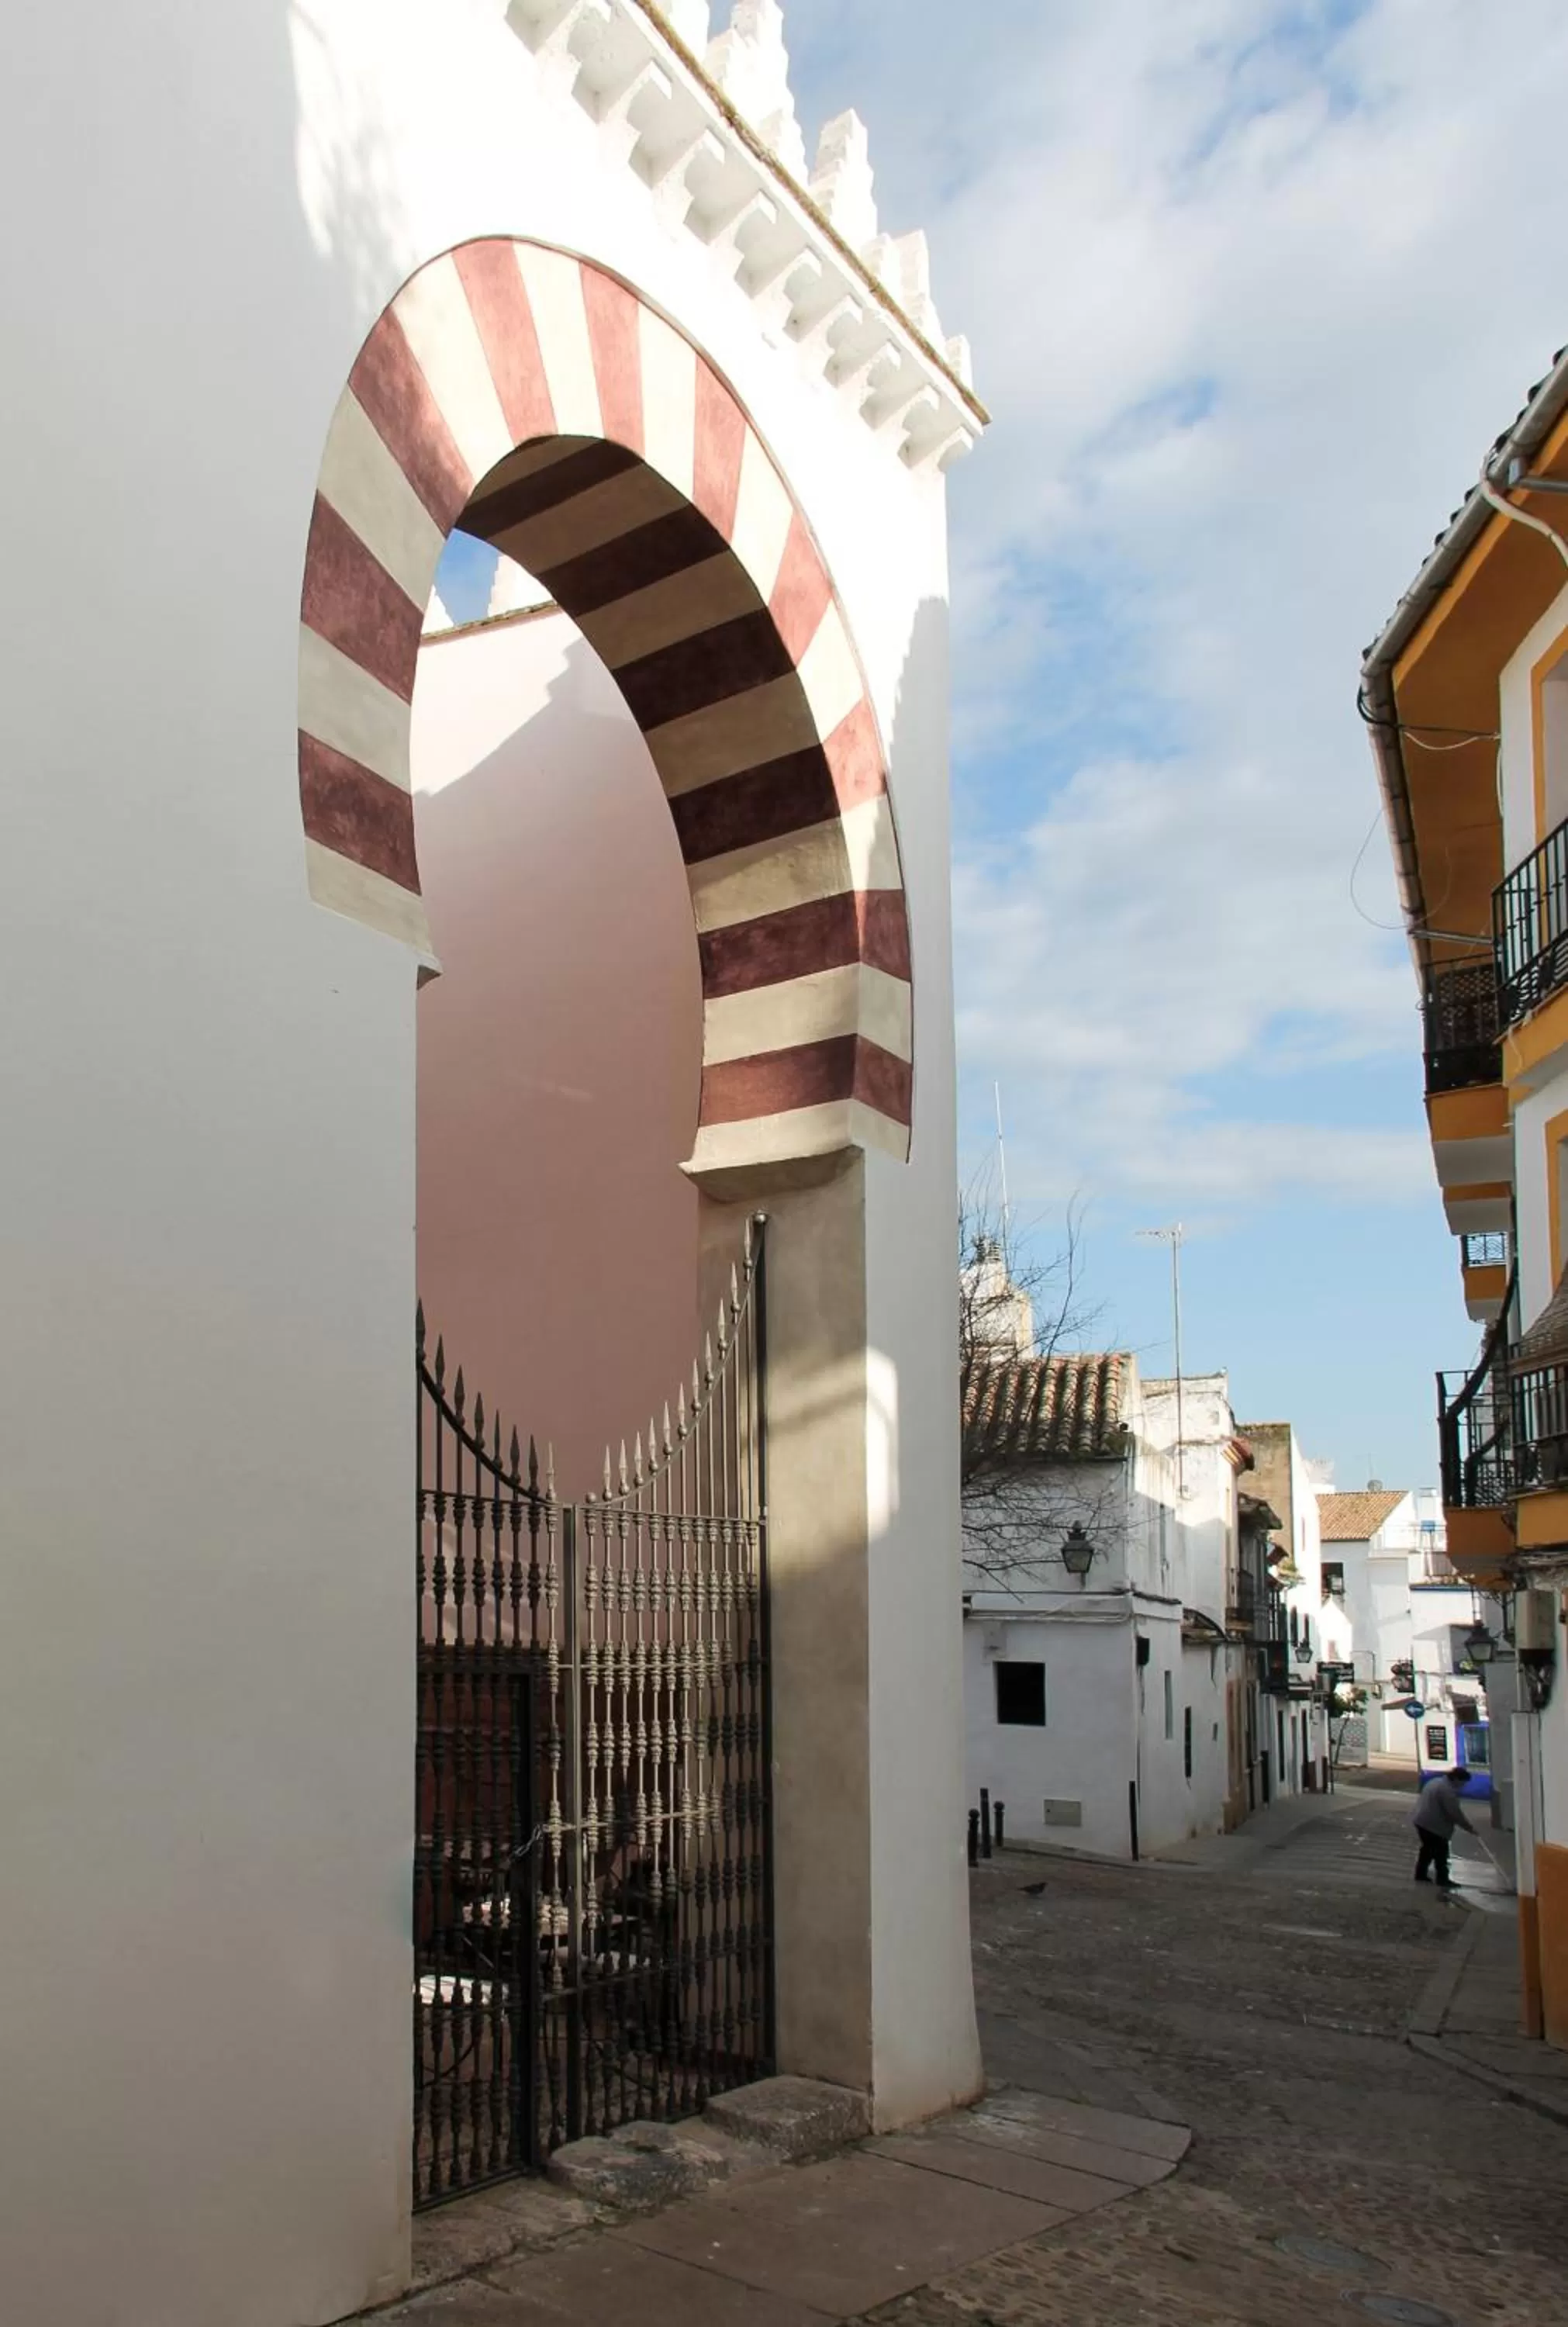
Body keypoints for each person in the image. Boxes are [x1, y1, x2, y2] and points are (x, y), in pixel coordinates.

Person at [1411, 1765, 1476, 1891]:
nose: (1462, 1787)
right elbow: (1454, 1813)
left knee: (1427, 1850)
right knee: (1441, 1853)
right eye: (1463, 1783)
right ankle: (1442, 1879)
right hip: (1434, 1825)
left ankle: (1421, 1874)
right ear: (1457, 1779)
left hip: (1421, 1821)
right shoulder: (1447, 1791)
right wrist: (1469, 1828)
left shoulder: (1435, 1782)